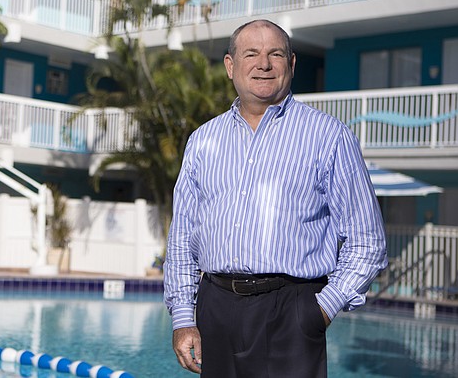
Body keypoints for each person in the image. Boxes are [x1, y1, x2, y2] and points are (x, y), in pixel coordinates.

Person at [163, 19, 387, 377]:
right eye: (251, 54)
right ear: (230, 65)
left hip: (291, 312)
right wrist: (183, 318)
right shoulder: (203, 140)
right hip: (214, 308)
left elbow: (367, 241)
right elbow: (182, 238)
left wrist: (321, 310)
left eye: (276, 54)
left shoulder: (329, 136)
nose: (263, 64)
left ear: (291, 64)